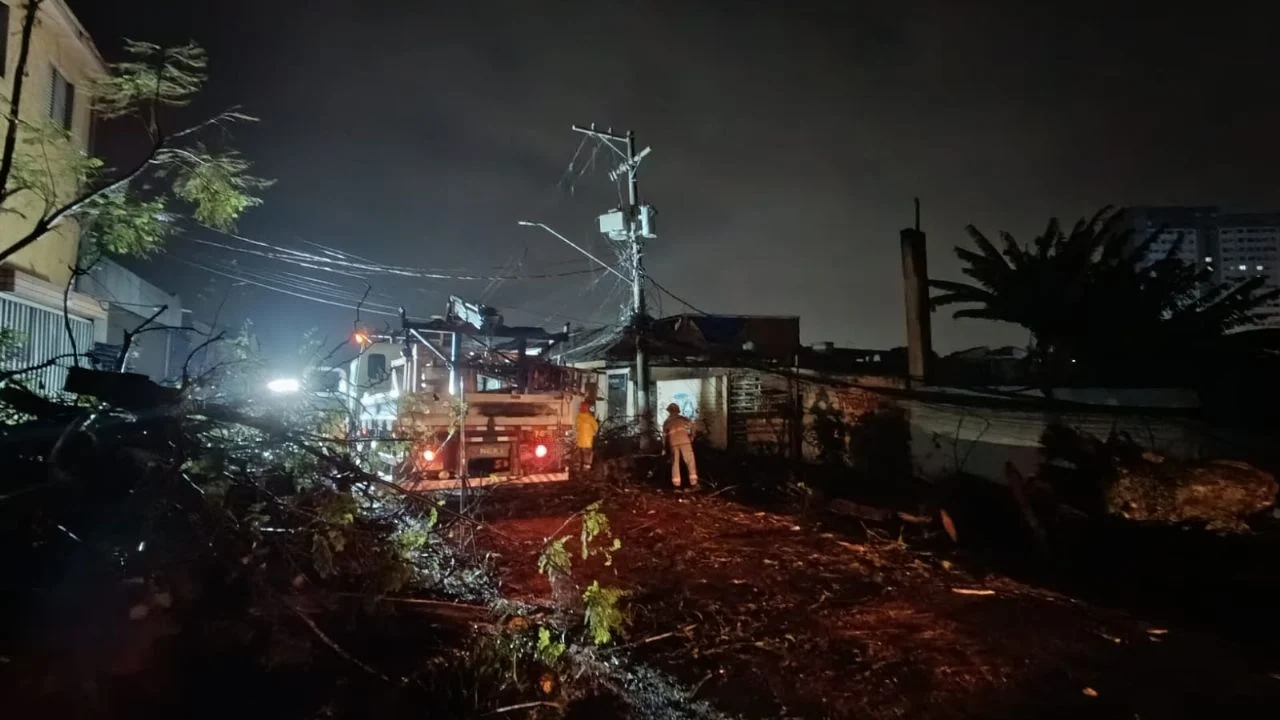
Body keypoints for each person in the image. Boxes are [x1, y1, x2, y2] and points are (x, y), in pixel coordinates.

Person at [662, 403, 699, 491]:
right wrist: (692, 436)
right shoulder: (683, 419)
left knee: (675, 463)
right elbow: (693, 425)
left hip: (673, 444)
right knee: (690, 462)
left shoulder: (666, 422)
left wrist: (663, 448)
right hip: (685, 442)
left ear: (669, 411)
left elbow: (664, 437)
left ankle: (676, 485)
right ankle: (694, 484)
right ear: (678, 411)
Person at [574, 401, 599, 472]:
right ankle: (584, 472)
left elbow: (577, 428)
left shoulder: (579, 417)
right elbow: (596, 429)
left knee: (582, 459)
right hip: (586, 443)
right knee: (585, 459)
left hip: (582, 443)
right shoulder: (590, 418)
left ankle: (582, 472)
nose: (584, 408)